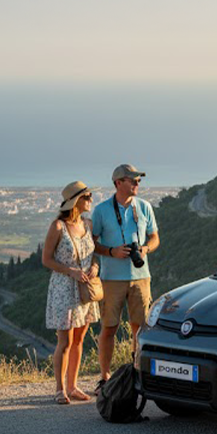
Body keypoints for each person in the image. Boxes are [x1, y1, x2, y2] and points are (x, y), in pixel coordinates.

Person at [91, 164, 160, 394]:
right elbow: (91, 243)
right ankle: (104, 377)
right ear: (118, 183)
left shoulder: (145, 207)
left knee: (139, 329)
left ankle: (136, 374)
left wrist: (145, 249)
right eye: (133, 180)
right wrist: (112, 252)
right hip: (111, 279)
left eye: (138, 180)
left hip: (141, 277)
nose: (137, 184)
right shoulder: (101, 210)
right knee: (109, 327)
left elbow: (155, 237)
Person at [42, 181, 100, 404]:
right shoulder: (58, 227)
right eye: (87, 196)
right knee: (64, 341)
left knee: (79, 339)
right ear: (76, 201)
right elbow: (46, 259)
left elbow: (94, 254)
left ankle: (73, 386)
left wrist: (95, 267)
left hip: (84, 288)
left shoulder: (88, 224)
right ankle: (60, 389)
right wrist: (70, 271)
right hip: (64, 289)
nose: (91, 199)